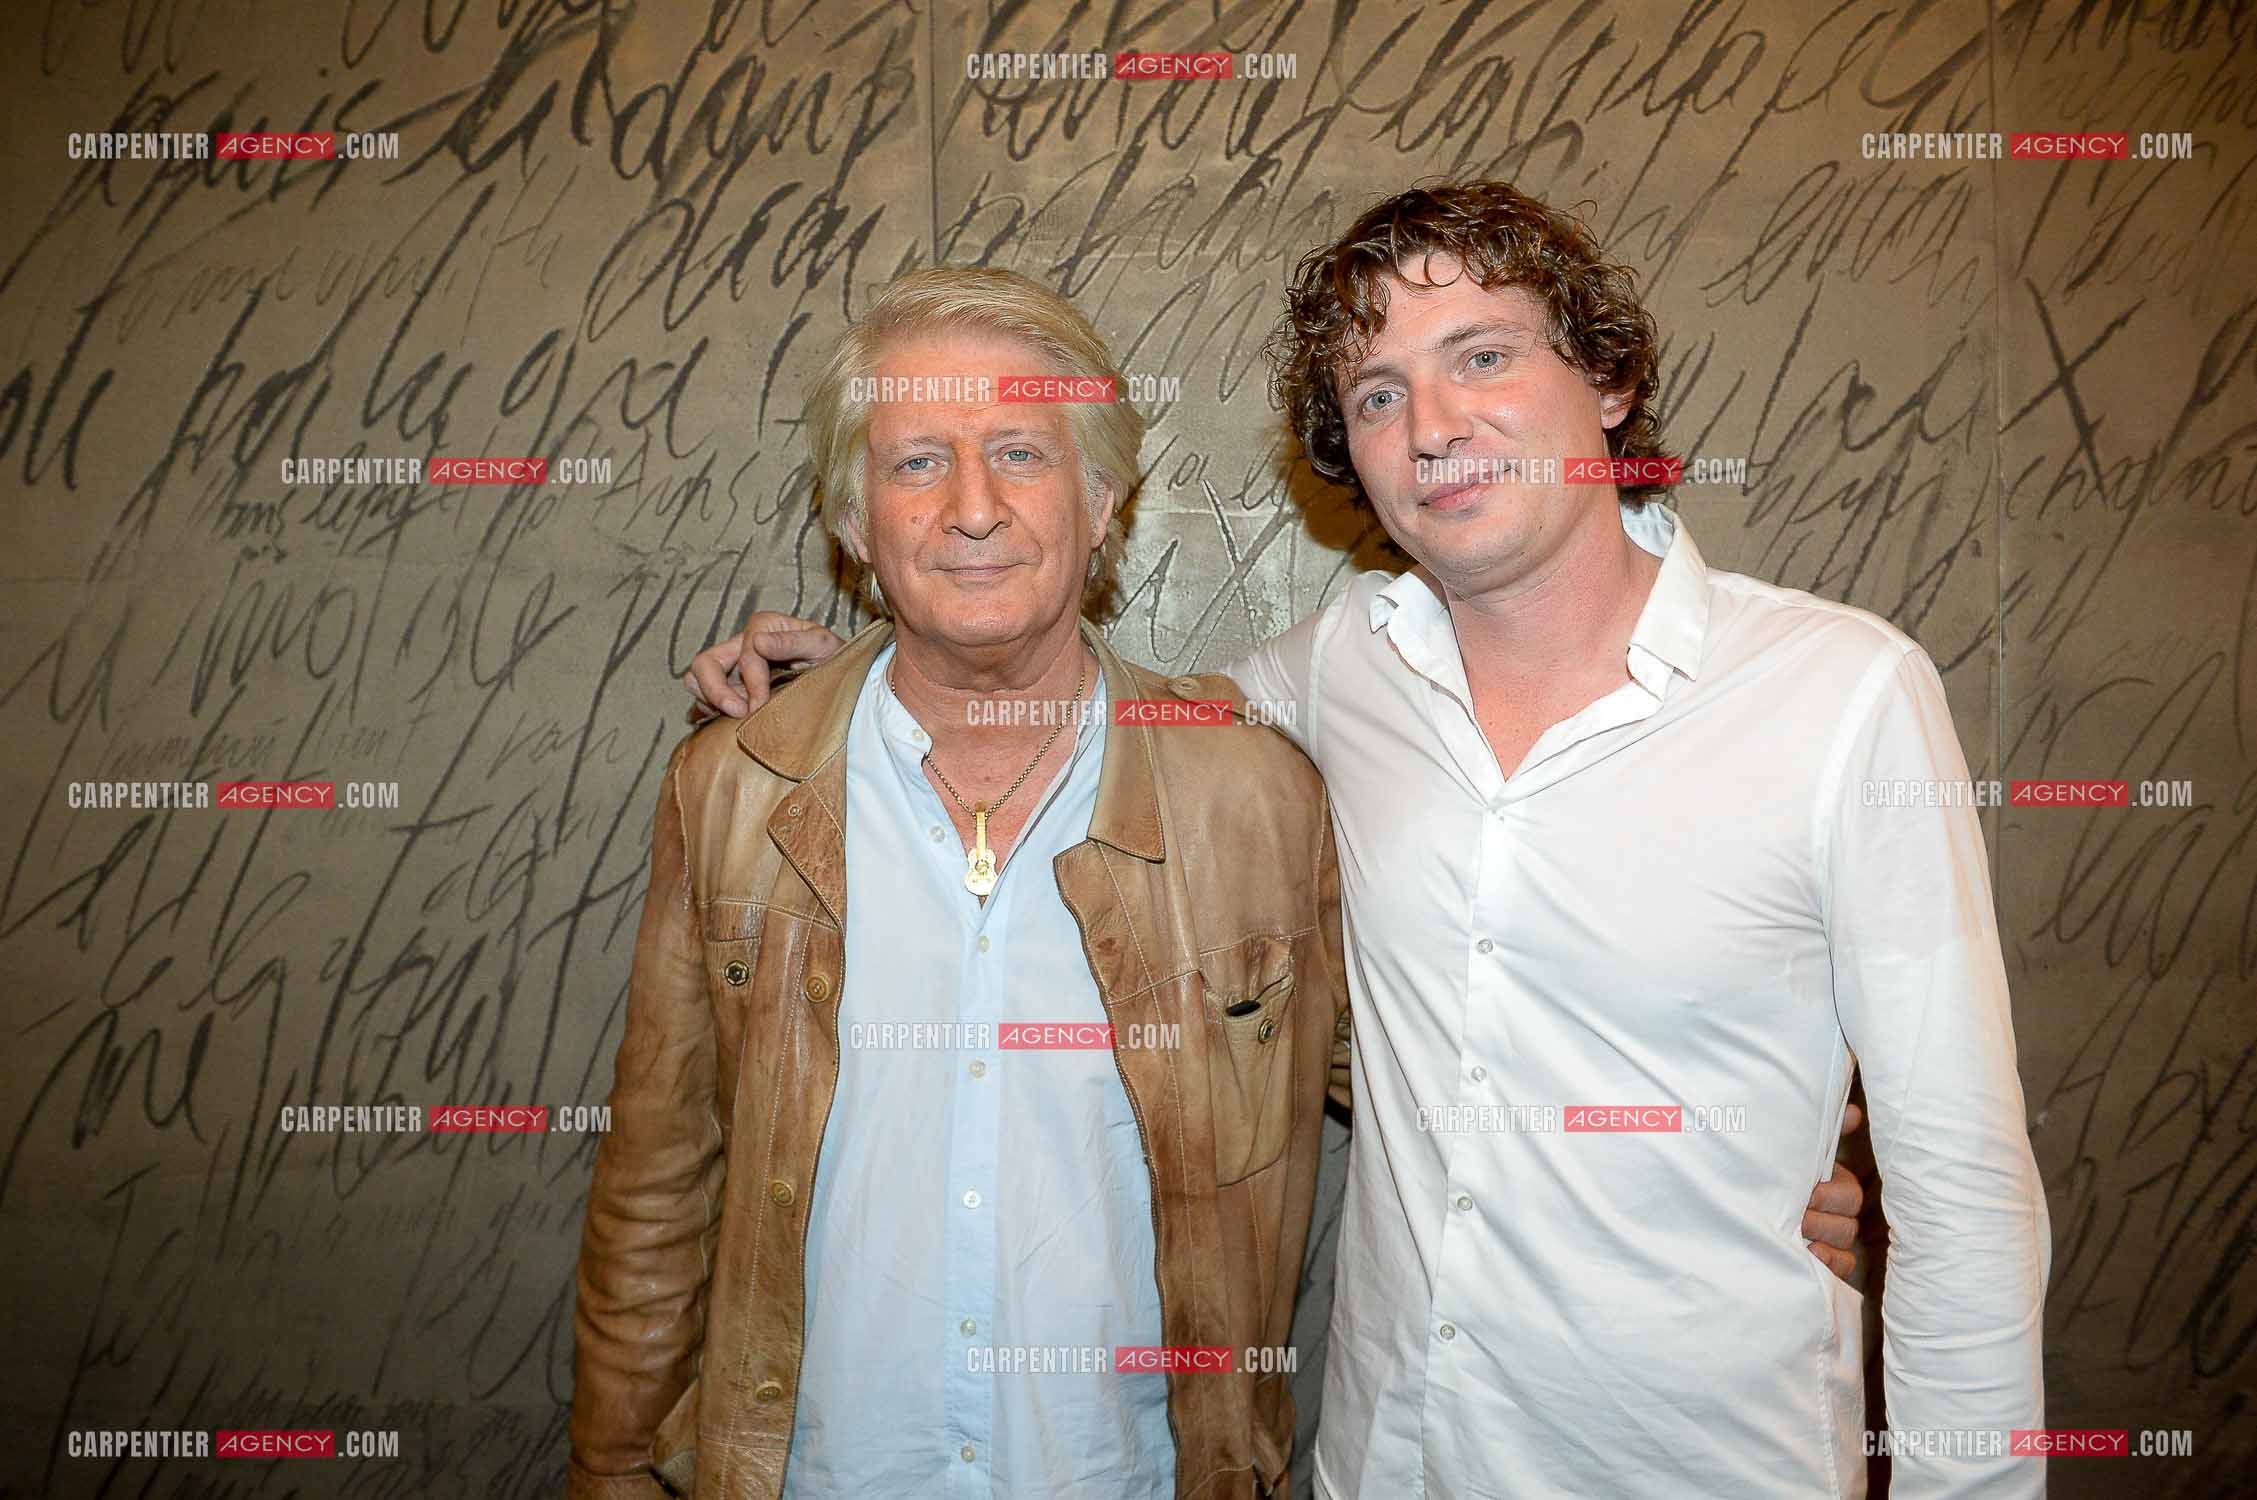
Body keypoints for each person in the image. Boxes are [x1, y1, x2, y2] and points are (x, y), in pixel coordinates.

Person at [688, 182, 2038, 1500]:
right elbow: (1085, 705)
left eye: (1483, 356)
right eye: (1377, 394)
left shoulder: (1840, 693)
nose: (1433, 425)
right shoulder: (1336, 672)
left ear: (1610, 384)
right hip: (1392, 1457)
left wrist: (1873, 1204)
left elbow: (1964, 1194)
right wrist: (858, 675)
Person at [569, 268, 1352, 1500]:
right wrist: (611, 1472)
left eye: (1022, 456)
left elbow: (1440, 1083)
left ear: (1103, 503)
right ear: (850, 520)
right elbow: (657, 1186)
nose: (973, 511)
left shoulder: (1253, 795)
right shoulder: (730, 790)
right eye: (918, 462)